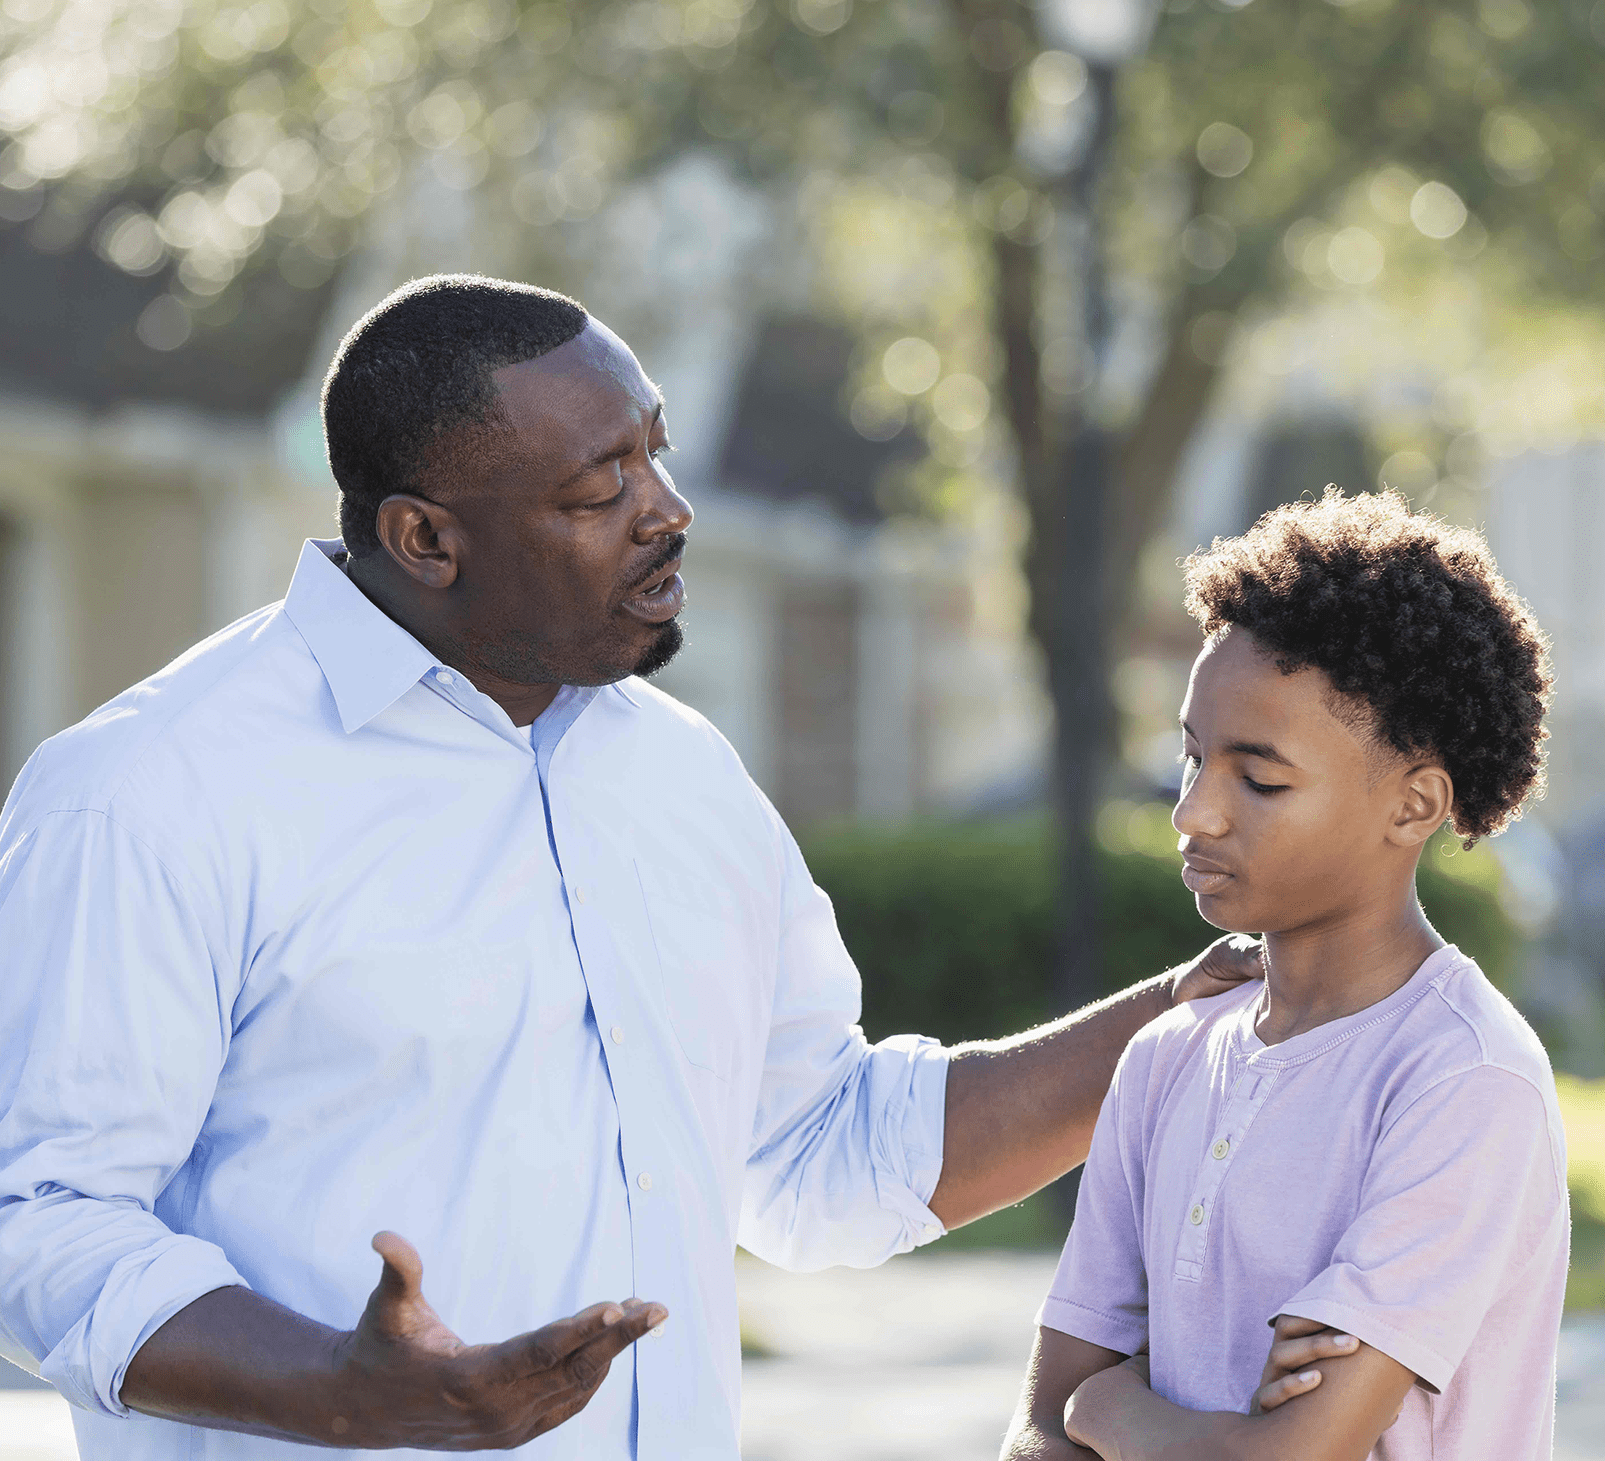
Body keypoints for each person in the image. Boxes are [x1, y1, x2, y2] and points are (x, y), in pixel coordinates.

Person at [0, 274, 1255, 1460]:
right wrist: (340, 1390)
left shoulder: (683, 775)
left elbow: (817, 1148)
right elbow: (41, 1215)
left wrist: (1183, 1017)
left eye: (653, 449)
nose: (668, 508)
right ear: (425, 539)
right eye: (600, 487)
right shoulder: (148, 792)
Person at [1002, 487, 1567, 1461]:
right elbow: (1034, 1432)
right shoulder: (1166, 1060)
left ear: (1414, 804)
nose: (1194, 815)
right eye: (1191, 760)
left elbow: (1281, 1455)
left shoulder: (1463, 1083)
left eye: (1259, 779)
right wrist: (1126, 1421)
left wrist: (1115, 1411)